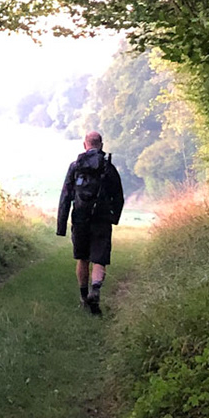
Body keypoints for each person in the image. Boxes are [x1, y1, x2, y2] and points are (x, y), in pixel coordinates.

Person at [57, 130, 125, 314]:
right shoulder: (107, 167)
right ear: (101, 145)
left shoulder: (75, 166)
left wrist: (61, 226)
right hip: (101, 219)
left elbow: (65, 196)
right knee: (99, 258)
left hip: (80, 218)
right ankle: (95, 290)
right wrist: (114, 217)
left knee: (82, 258)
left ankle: (83, 296)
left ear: (84, 145)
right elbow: (118, 196)